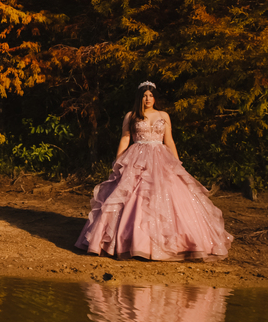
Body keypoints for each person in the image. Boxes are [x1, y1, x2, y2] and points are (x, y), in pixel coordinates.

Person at [75, 81, 233, 261]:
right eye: (144, 95)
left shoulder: (163, 115)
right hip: (137, 158)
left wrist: (177, 164)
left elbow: (170, 140)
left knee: (169, 196)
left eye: (151, 95)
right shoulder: (131, 115)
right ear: (139, 97)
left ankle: (174, 242)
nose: (148, 98)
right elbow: (125, 138)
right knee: (134, 197)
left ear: (155, 98)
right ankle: (135, 242)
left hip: (161, 158)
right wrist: (118, 161)